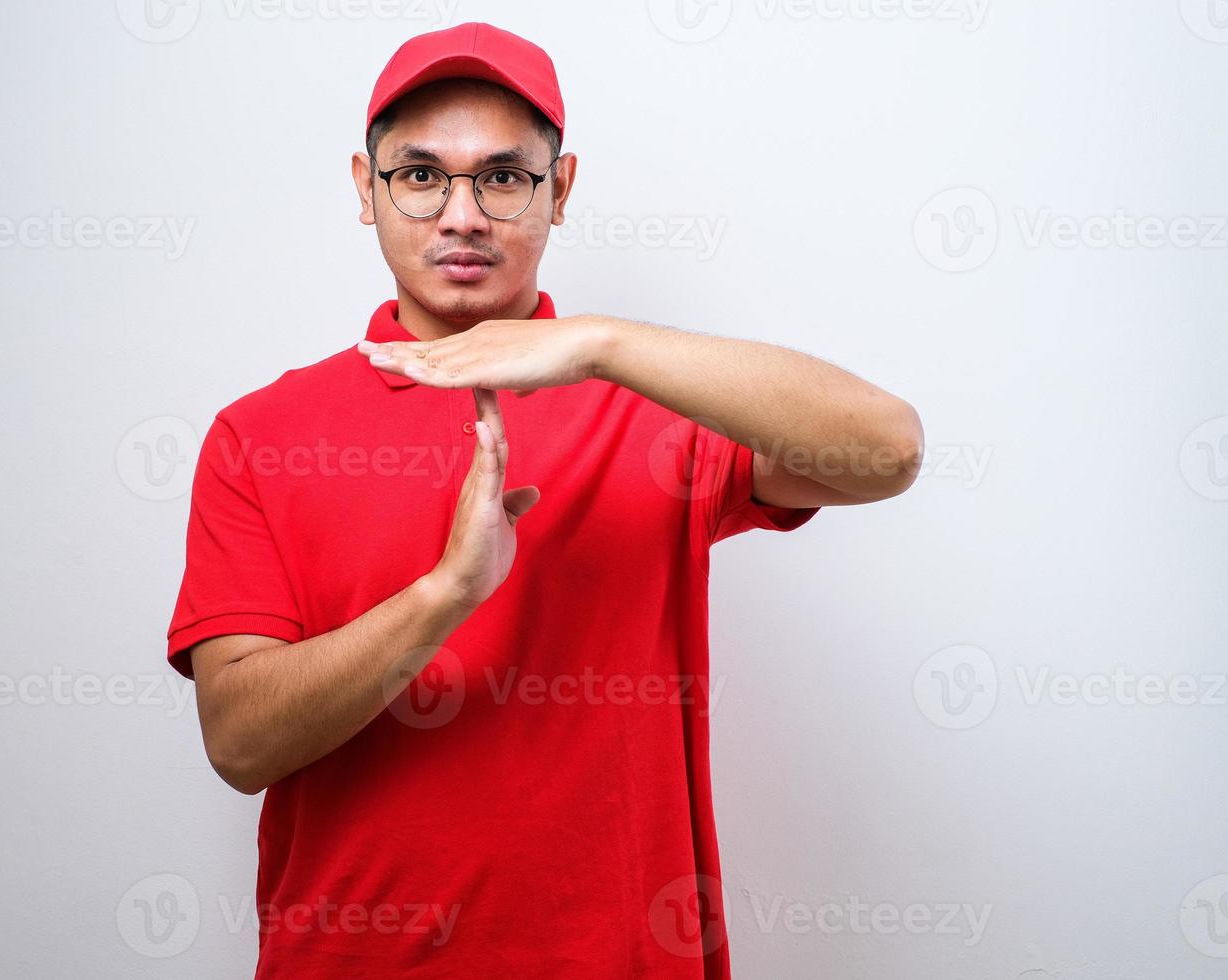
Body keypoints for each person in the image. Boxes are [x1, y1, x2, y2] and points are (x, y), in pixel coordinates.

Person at [166, 21, 923, 978]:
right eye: (420, 174)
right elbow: (239, 743)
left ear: (558, 192)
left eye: (504, 177)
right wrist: (445, 593)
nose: (462, 214)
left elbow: (887, 451)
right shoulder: (260, 433)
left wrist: (600, 346)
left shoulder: (654, 405)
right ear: (366, 189)